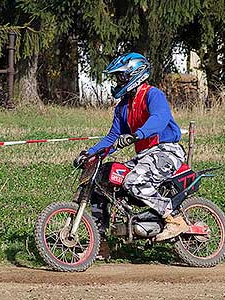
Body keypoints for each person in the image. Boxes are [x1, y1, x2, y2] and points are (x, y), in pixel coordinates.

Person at [74, 52, 189, 252]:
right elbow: (112, 138)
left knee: (133, 180)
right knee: (100, 181)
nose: (117, 81)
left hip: (167, 151)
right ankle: (100, 243)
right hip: (144, 156)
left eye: (121, 77)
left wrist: (137, 134)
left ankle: (175, 219)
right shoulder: (123, 107)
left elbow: (160, 119)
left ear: (135, 74)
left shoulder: (153, 94)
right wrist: (91, 154)